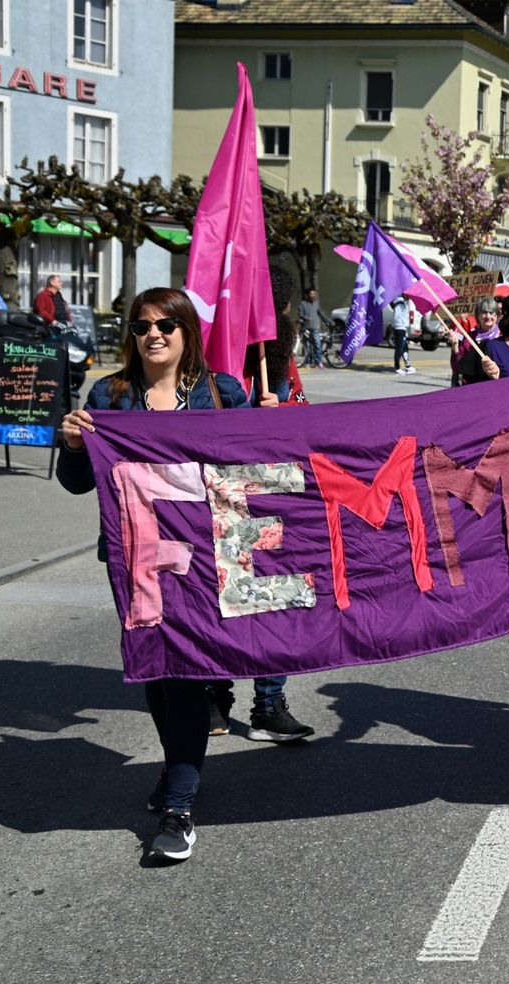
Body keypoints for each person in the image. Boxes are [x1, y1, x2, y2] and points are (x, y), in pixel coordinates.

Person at [57, 288, 277, 862]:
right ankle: (176, 773)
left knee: (185, 670)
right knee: (158, 671)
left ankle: (180, 802)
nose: (153, 334)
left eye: (165, 325)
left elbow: (255, 466)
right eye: (141, 326)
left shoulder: (222, 392)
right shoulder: (110, 394)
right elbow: (78, 483)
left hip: (207, 555)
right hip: (139, 559)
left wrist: (270, 427)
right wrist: (75, 447)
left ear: (186, 331)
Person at [220, 267, 315, 743]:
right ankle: (214, 701)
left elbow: (302, 419)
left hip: (277, 500)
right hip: (225, 502)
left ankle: (268, 704)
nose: (283, 317)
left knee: (277, 601)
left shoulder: (280, 361)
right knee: (218, 600)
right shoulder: (217, 361)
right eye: (278, 308)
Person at [448, 298, 500, 385]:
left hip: (496, 386)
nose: (488, 316)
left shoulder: (502, 335)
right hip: (472, 387)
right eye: (484, 312)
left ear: (497, 316)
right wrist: (455, 347)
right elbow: (457, 367)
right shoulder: (470, 337)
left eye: (491, 313)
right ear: (477, 316)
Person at [297, 287, 324, 368]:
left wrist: (327, 321)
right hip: (306, 328)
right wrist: (305, 318)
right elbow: (300, 314)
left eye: (314, 294)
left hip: (315, 328)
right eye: (311, 294)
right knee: (307, 347)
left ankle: (318, 362)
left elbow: (321, 314)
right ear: (307, 295)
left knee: (318, 344)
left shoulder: (316, 304)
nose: (313, 295)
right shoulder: (303, 304)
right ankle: (307, 362)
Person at [389, 294, 415, 375]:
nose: (410, 297)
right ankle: (397, 367)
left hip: (403, 327)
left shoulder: (404, 302)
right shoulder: (399, 302)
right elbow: (397, 316)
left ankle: (408, 366)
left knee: (404, 347)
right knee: (399, 348)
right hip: (399, 327)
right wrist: (395, 325)